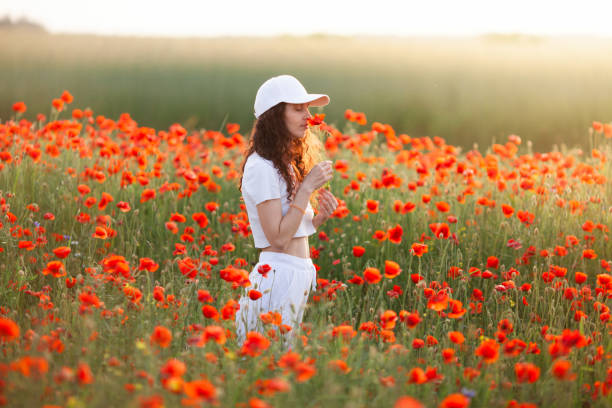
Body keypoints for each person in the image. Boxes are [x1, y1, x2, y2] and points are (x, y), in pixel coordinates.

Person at [235, 74, 338, 350]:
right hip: (276, 278)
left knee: (280, 363)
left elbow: (292, 230)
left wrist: (318, 219)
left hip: (296, 274)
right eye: (298, 108)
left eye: (307, 108)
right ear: (275, 115)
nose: (308, 115)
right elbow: (278, 239)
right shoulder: (261, 167)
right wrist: (306, 189)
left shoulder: (285, 164)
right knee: (267, 363)